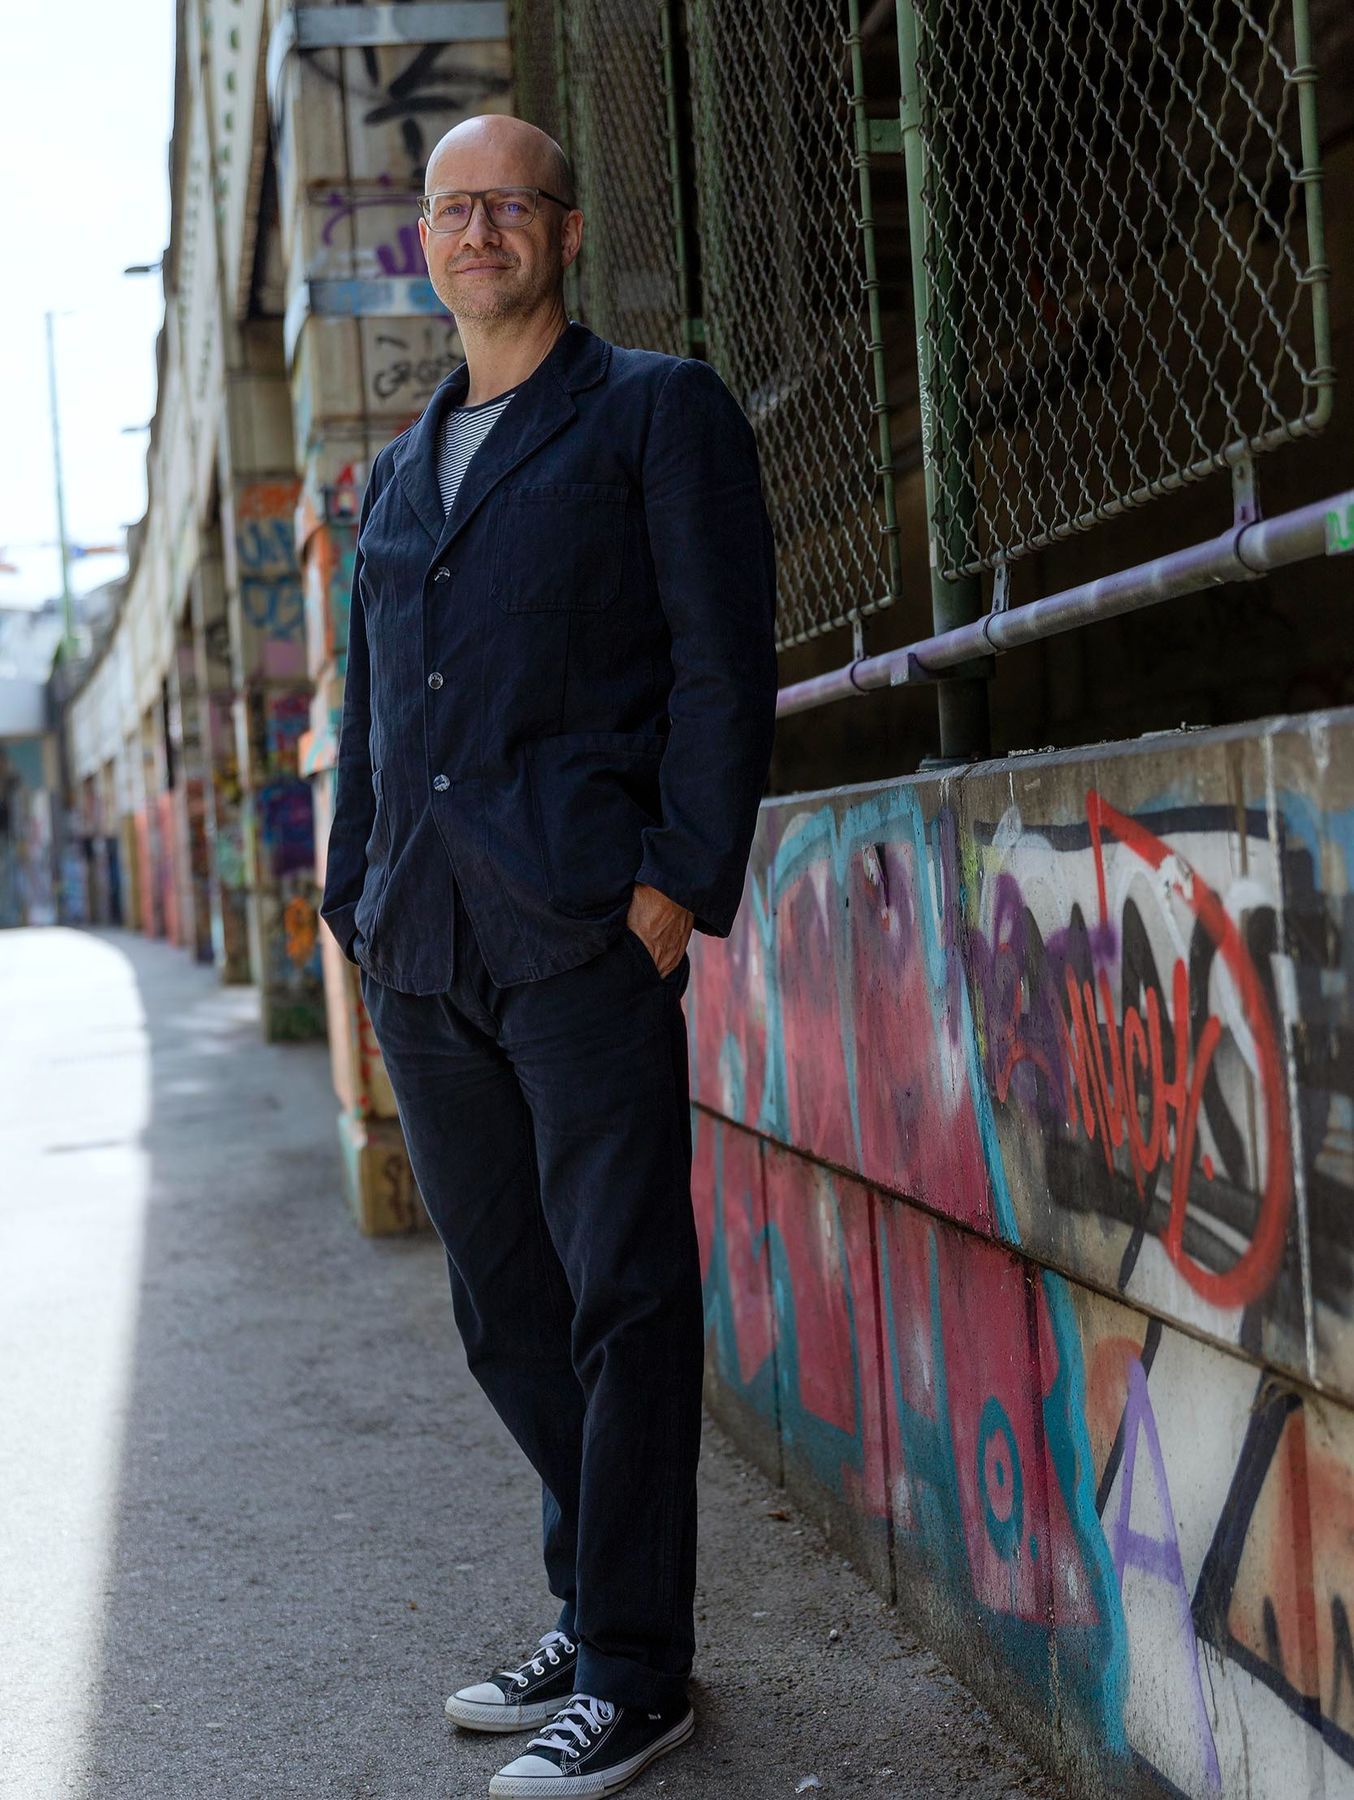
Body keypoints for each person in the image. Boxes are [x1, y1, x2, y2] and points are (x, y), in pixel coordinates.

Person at [320, 111, 777, 1797]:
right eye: (451, 209)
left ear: (565, 232)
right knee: (504, 1306)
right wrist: (351, 897)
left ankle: (638, 1672)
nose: (477, 230)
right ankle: (593, 1616)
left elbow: (723, 666)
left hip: (584, 930)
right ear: (423, 247)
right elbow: (375, 712)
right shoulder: (396, 471)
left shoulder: (654, 411)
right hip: (422, 947)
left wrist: (673, 889)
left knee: (621, 1299)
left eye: (508, 203)